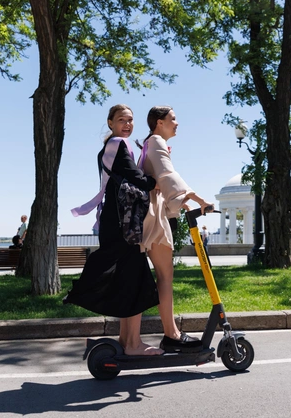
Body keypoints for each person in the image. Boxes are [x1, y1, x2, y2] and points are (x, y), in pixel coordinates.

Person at [65, 104, 162, 356]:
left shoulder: (109, 147)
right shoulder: (118, 144)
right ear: (110, 123)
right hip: (123, 221)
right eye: (122, 120)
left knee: (129, 277)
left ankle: (127, 340)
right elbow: (135, 177)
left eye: (130, 120)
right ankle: (133, 345)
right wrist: (156, 181)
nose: (127, 124)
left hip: (114, 218)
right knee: (136, 277)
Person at [138, 105, 214, 353]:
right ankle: (171, 334)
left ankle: (171, 332)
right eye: (173, 118)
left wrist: (181, 201)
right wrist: (198, 198)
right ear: (159, 122)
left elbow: (163, 180)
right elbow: (169, 175)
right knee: (165, 275)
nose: (177, 122)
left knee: (164, 275)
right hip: (153, 217)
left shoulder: (151, 142)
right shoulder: (156, 140)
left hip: (154, 211)